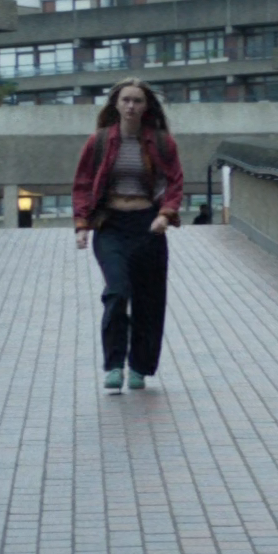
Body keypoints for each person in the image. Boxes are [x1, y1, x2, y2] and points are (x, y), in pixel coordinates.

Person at [71, 78, 185, 395]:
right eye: (126, 100)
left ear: (146, 106)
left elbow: (175, 182)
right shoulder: (99, 141)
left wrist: (165, 214)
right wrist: (82, 225)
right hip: (111, 226)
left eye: (137, 101)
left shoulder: (162, 143)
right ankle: (114, 365)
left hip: (148, 225)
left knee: (149, 300)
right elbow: (82, 184)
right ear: (116, 104)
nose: (131, 106)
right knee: (117, 291)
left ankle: (138, 367)